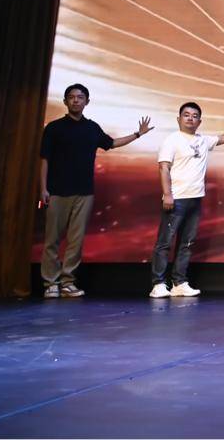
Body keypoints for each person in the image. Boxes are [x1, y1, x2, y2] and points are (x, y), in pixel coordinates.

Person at [39, 84, 152, 299]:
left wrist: (138, 134)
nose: (75, 100)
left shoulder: (92, 128)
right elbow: (44, 159)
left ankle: (68, 282)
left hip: (84, 192)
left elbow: (112, 143)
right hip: (57, 190)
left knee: (76, 240)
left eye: (80, 97)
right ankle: (50, 283)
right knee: (52, 239)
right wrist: (43, 188)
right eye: (71, 97)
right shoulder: (54, 128)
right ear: (65, 101)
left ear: (87, 102)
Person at [150, 103, 224, 298]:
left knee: (187, 243)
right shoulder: (172, 140)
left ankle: (179, 283)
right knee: (165, 242)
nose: (190, 118)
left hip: (195, 199)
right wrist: (167, 194)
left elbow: (222, 138)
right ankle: (158, 284)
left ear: (199, 121)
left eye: (194, 116)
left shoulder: (202, 140)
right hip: (177, 198)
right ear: (178, 119)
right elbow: (163, 167)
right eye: (186, 115)